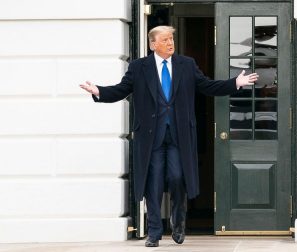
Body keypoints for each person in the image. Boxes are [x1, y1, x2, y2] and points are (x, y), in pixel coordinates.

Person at [80, 25, 258, 247]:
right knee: (152, 184)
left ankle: (178, 222)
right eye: (165, 40)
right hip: (150, 137)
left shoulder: (186, 64)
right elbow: (121, 89)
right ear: (152, 44)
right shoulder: (139, 67)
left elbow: (206, 85)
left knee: (176, 178)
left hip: (178, 135)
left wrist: (235, 84)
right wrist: (99, 91)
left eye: (171, 39)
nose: (170, 43)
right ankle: (154, 232)